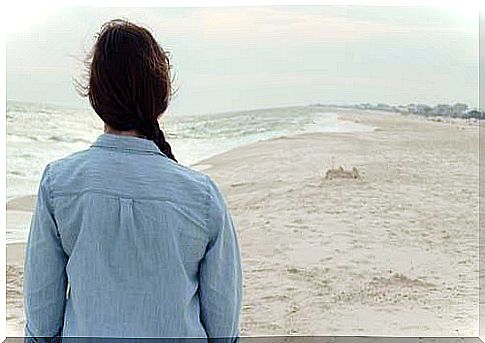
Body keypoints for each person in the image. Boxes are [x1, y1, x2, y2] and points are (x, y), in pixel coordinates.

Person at [23, 19, 243, 342]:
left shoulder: (58, 185)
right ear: (160, 95)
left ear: (96, 95)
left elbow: (41, 327)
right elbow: (224, 332)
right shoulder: (202, 197)